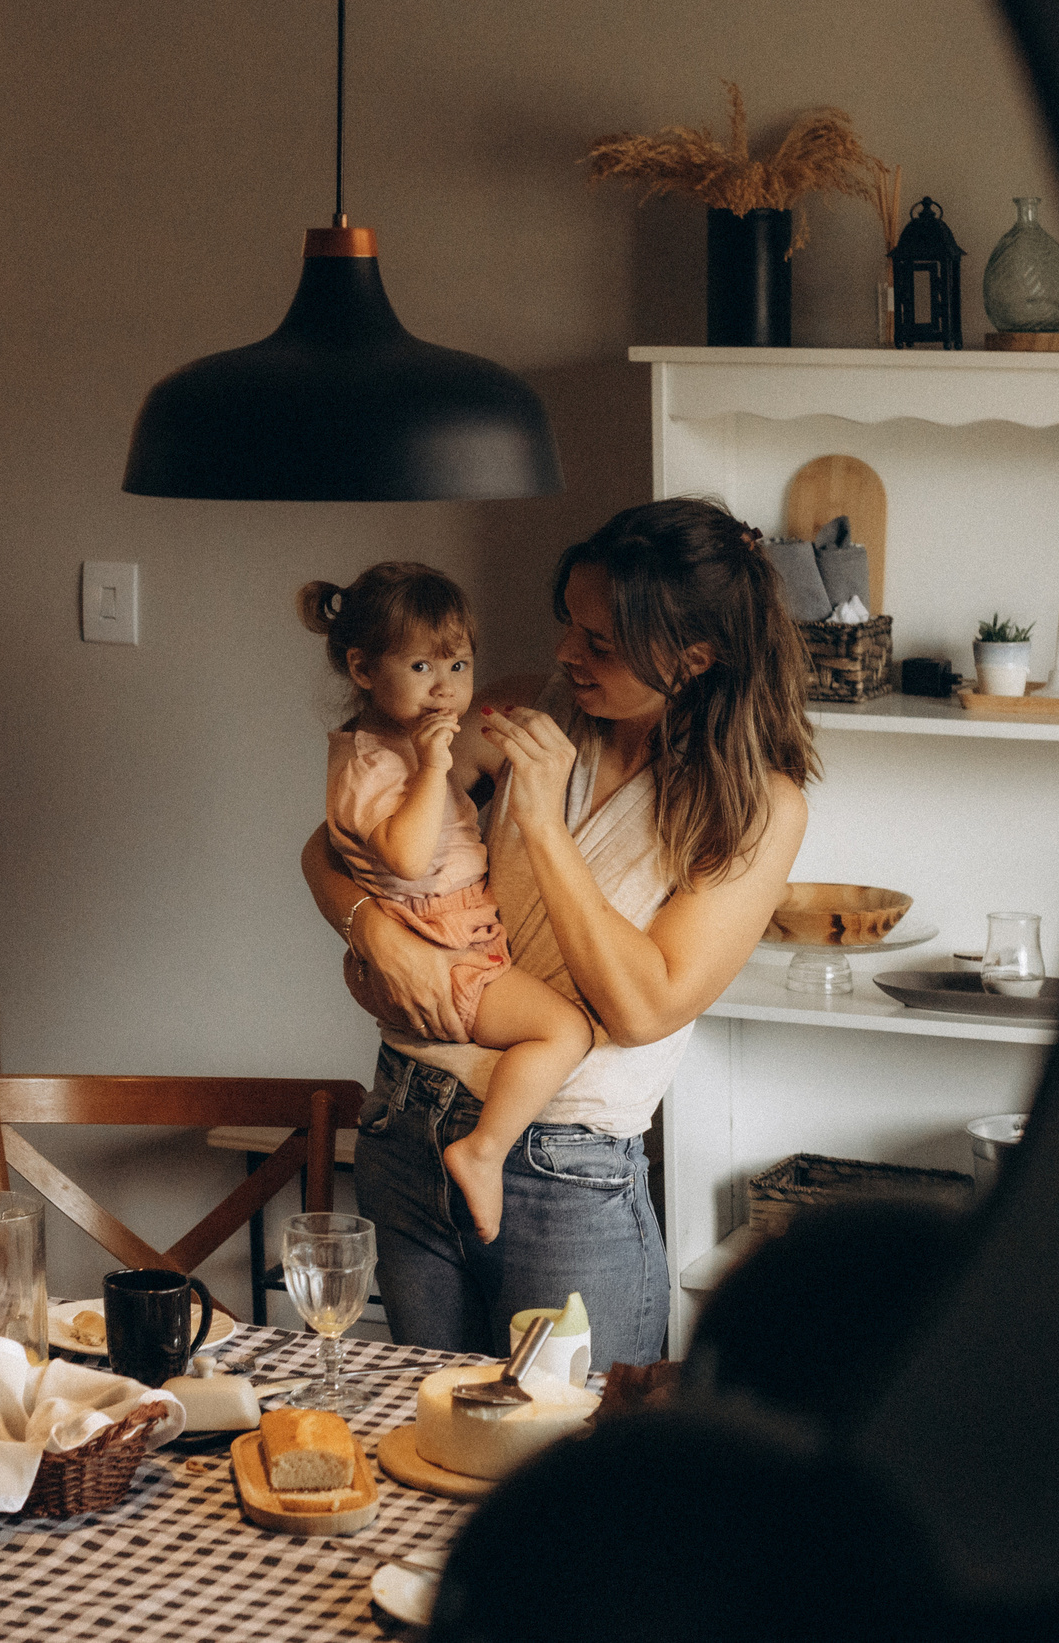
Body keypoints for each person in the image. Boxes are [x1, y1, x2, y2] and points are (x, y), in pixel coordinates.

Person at [301, 498, 817, 1366]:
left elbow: (644, 1005)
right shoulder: (522, 712)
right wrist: (373, 933)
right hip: (405, 1120)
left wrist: (541, 824)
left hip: (566, 1173)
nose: (564, 653)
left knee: (578, 1467)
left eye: (600, 643)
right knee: (433, 1459)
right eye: (568, 625)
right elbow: (334, 846)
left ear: (695, 657)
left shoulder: (760, 808)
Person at [296, 562, 596, 1245]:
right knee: (564, 1029)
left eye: (458, 665)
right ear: (364, 670)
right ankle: (484, 1148)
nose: (446, 687)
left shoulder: (395, 746)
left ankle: (479, 1141)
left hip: (450, 933)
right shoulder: (375, 762)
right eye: (423, 666)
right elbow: (401, 857)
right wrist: (434, 768)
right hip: (438, 945)